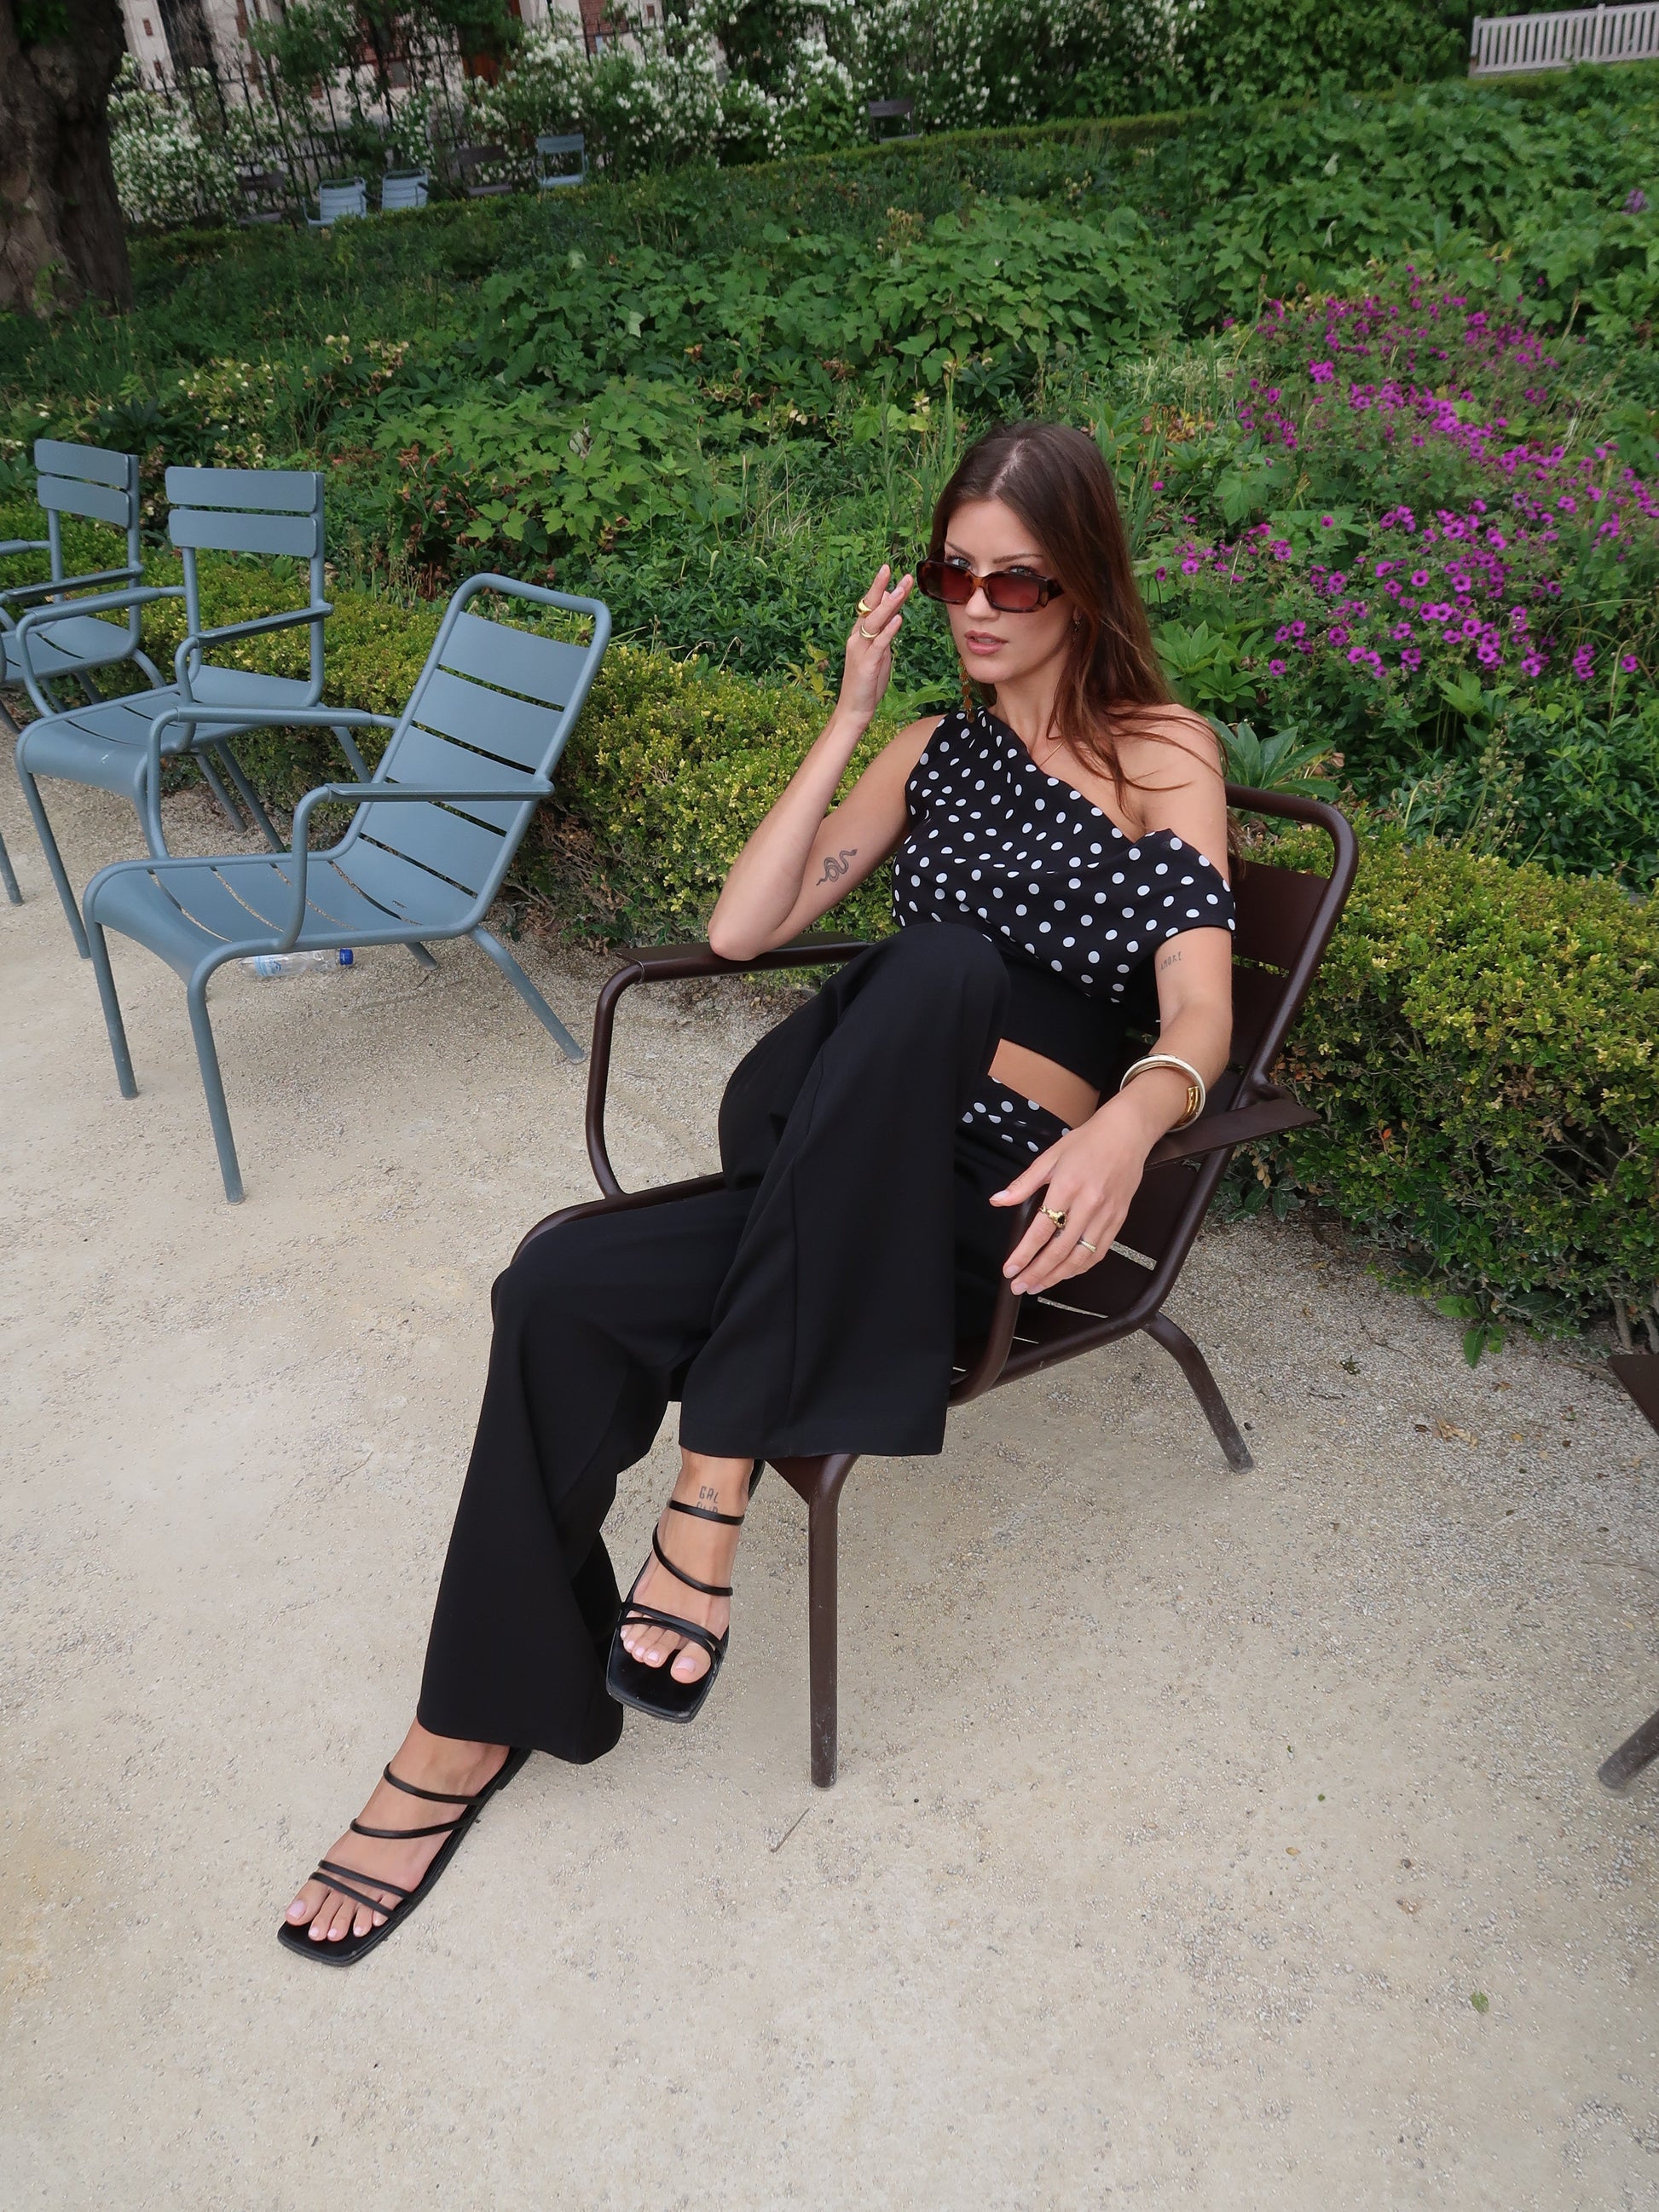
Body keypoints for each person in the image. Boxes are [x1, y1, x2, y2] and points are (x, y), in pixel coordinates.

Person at [280, 419, 1236, 1964]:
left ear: (1084, 583)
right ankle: (655, 1547)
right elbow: (741, 932)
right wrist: (850, 719)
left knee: (555, 1288)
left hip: (976, 1193)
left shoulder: (1160, 752)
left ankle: (477, 1716)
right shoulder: (925, 750)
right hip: (821, 1132)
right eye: (951, 573)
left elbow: (1198, 1007)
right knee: (929, 966)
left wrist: (1134, 1118)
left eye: (1015, 580)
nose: (976, 607)